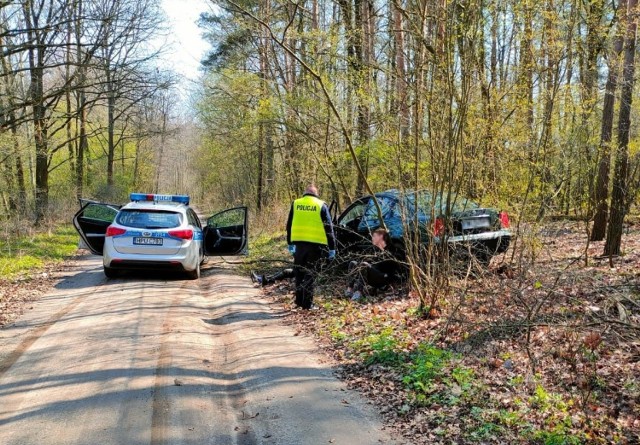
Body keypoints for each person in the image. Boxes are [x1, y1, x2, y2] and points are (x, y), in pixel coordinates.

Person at [286, 184, 336, 310]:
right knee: (310, 274)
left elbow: (289, 225)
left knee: (299, 273)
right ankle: (307, 304)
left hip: (298, 246)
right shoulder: (321, 205)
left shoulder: (296, 203)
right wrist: (332, 248)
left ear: (305, 193)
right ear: (316, 194)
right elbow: (329, 228)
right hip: (316, 246)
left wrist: (290, 243)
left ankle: (298, 301)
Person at [345, 227, 405, 301]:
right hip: (374, 275)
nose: (372, 238)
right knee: (353, 263)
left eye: (374, 236)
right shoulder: (376, 251)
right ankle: (349, 290)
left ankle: (358, 292)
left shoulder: (391, 250)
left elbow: (393, 269)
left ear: (381, 236)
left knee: (364, 264)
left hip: (383, 278)